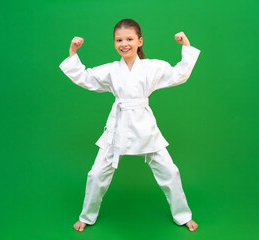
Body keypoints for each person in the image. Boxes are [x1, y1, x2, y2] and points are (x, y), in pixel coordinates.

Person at [59, 18, 201, 232]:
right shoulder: (111, 70)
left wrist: (185, 46)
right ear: (114, 43)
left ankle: (183, 216)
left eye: (129, 39)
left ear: (139, 41)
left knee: (170, 172)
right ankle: (87, 216)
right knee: (96, 174)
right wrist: (73, 52)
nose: (124, 43)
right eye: (119, 40)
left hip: (144, 126)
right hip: (118, 126)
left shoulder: (152, 67)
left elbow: (178, 74)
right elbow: (85, 77)